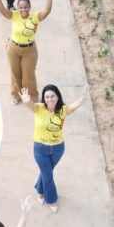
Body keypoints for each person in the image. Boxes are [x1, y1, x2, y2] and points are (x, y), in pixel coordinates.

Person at [19, 83, 91, 213]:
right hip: (41, 149)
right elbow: (31, 105)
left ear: (57, 97)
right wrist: (26, 101)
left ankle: (40, 191)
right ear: (44, 98)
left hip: (58, 148)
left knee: (46, 172)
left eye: (52, 96)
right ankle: (52, 200)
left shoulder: (62, 110)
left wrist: (83, 98)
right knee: (48, 176)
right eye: (47, 97)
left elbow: (73, 107)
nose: (50, 99)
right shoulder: (39, 108)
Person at [0, 0, 55, 104]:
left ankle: (33, 96)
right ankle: (16, 96)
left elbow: (47, 11)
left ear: (29, 7)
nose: (23, 9)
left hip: (29, 50)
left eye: (26, 7)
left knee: (28, 75)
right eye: (21, 7)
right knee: (15, 74)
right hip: (13, 48)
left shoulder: (35, 16)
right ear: (17, 7)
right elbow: (3, 10)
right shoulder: (14, 15)